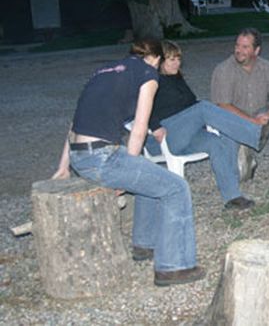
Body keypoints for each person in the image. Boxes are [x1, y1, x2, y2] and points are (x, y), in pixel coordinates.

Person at [52, 39, 205, 287]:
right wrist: (130, 167)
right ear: (155, 59)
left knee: (150, 176)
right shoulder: (147, 74)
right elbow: (140, 129)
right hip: (102, 157)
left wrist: (63, 166)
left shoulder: (102, 72)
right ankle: (174, 267)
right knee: (177, 189)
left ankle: (144, 245)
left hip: (80, 156)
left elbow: (75, 122)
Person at [147, 40, 260, 210]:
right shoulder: (151, 81)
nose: (177, 63)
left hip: (185, 135)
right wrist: (154, 126)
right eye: (171, 59)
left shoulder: (176, 79)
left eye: (178, 59)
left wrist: (211, 122)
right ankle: (256, 134)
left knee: (218, 140)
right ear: (160, 61)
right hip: (163, 137)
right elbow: (137, 109)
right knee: (204, 108)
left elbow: (192, 104)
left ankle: (232, 196)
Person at [211, 28, 269, 179]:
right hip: (233, 119)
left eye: (245, 47)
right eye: (237, 45)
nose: (239, 50)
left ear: (256, 50)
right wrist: (252, 121)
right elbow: (223, 105)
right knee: (240, 178)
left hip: (259, 113)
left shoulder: (267, 67)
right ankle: (245, 156)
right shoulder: (223, 69)